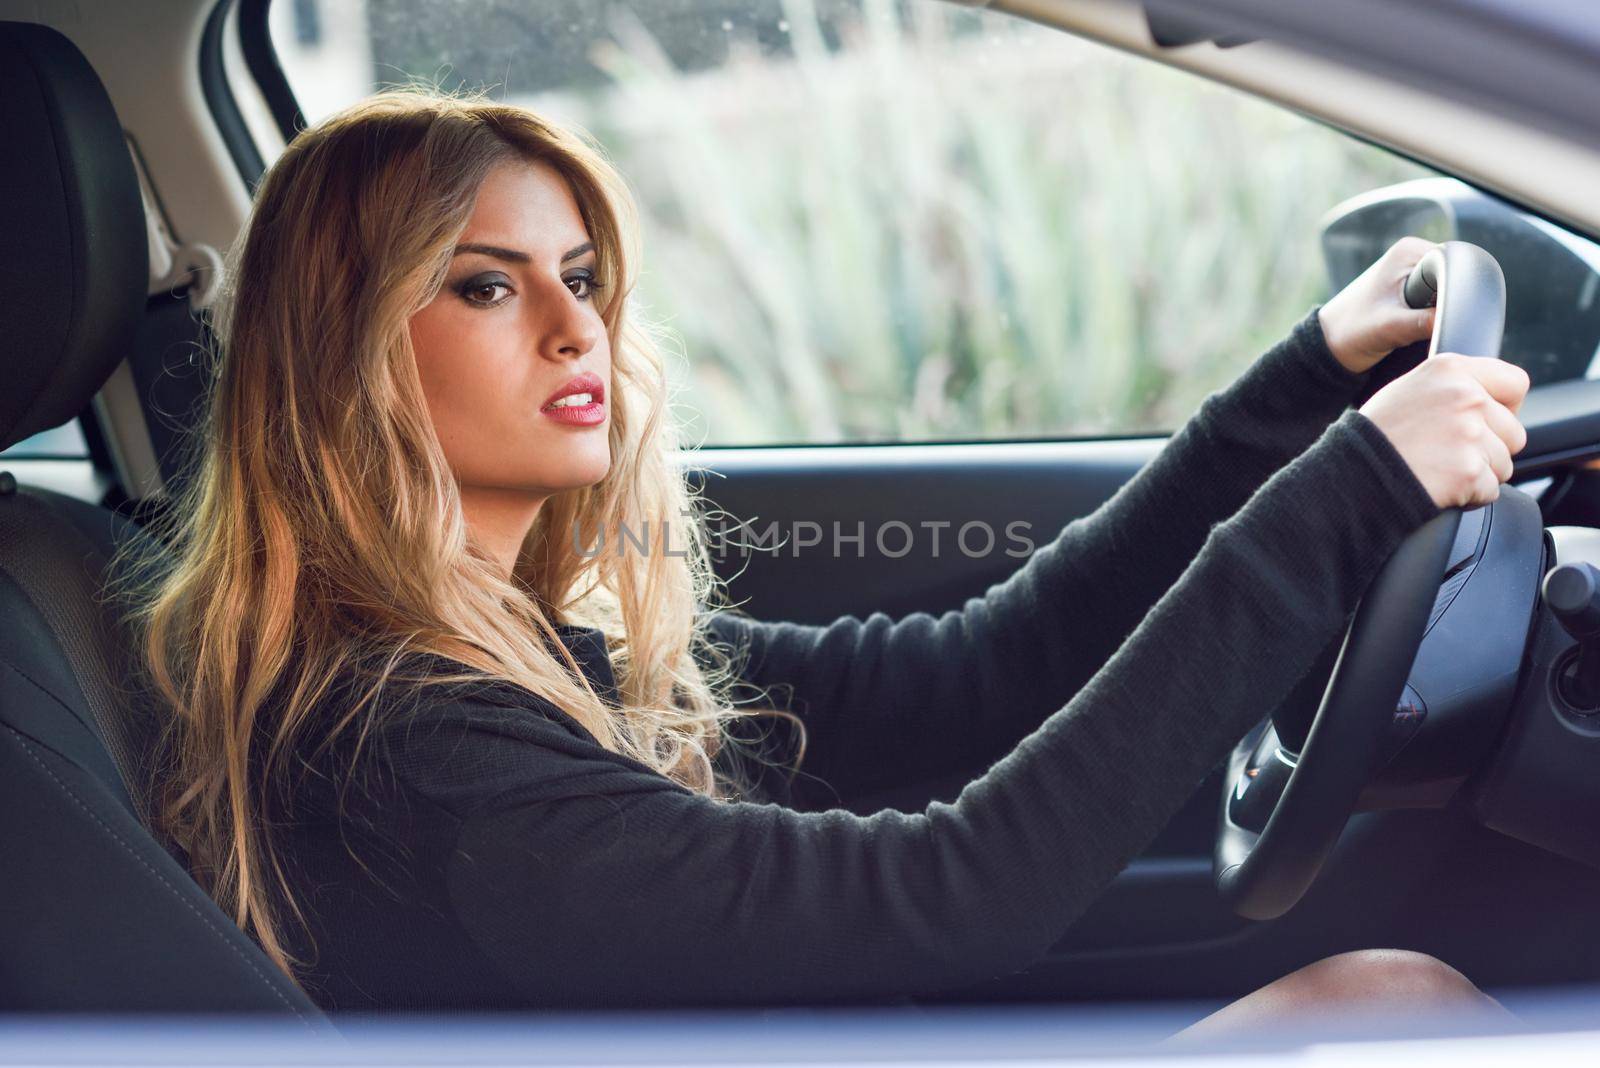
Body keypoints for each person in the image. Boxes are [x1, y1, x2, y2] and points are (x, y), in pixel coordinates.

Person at [111, 90, 1527, 1031]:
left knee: (1387, 1005)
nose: (572, 324)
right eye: (487, 283)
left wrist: (1302, 386)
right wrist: (1349, 494)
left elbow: (989, 671)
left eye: (583, 276)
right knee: (1393, 1004)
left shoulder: (513, 643)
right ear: (343, 351)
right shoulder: (408, 737)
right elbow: (950, 898)